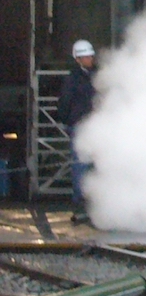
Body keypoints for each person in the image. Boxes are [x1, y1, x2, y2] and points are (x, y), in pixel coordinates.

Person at [60, 40, 97, 224]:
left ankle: (95, 201)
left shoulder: (95, 75)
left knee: (94, 164)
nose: (90, 59)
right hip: (80, 126)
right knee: (80, 164)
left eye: (90, 56)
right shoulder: (73, 78)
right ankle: (80, 202)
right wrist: (69, 121)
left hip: (96, 126)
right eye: (86, 56)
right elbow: (65, 103)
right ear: (78, 59)